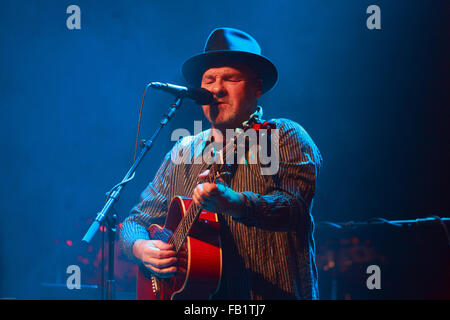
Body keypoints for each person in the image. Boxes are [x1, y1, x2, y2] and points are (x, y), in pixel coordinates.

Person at [119, 27, 323, 300]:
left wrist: (236, 203)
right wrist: (141, 248)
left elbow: (294, 209)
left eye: (231, 78)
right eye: (210, 79)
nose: (217, 88)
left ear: (257, 86)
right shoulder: (183, 151)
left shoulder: (283, 135)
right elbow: (135, 221)